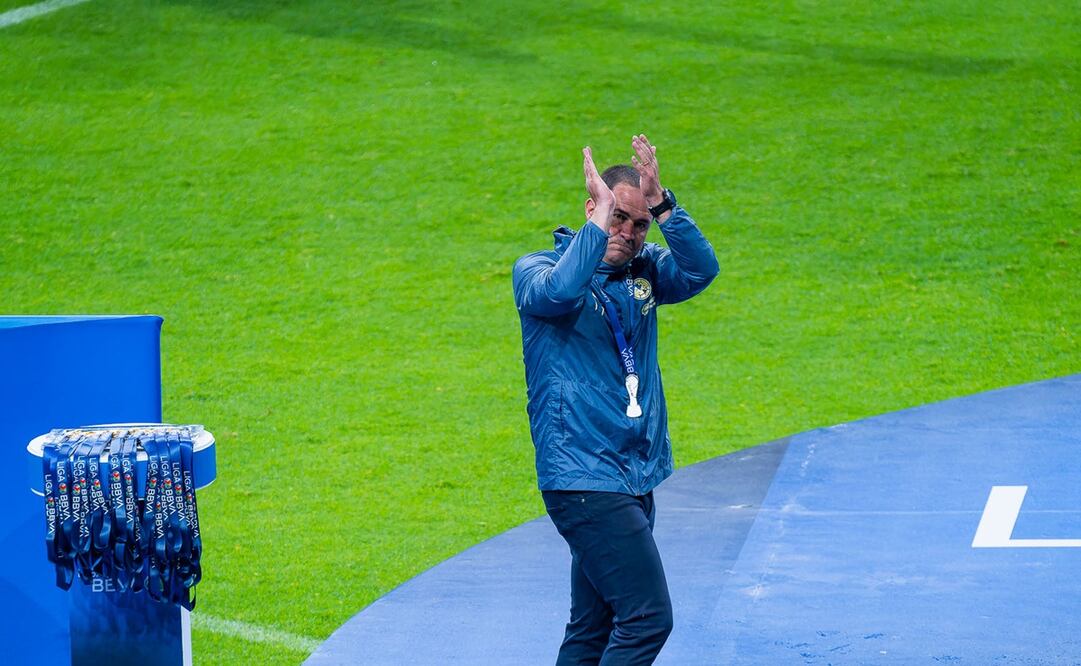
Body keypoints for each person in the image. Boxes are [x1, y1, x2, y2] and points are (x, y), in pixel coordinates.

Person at [512, 134, 720, 665]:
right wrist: (598, 221)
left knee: (594, 625)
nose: (627, 234)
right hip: (584, 478)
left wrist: (664, 206)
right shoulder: (536, 270)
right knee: (648, 617)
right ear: (592, 208)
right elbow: (561, 293)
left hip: (632, 474)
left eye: (638, 224)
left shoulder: (643, 271)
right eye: (616, 218)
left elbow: (700, 271)